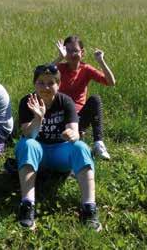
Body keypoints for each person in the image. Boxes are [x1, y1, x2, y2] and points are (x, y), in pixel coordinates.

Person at [15, 64, 101, 231]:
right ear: (34, 84)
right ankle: (27, 205)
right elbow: (28, 135)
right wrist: (38, 118)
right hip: (37, 154)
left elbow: (75, 131)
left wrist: (71, 134)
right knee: (27, 144)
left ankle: (89, 207)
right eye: (41, 83)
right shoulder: (27, 101)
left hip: (60, 153)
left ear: (58, 84)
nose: (46, 87)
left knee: (81, 147)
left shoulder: (65, 101)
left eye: (51, 83)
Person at [53, 35, 116, 159]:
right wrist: (59, 57)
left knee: (95, 99)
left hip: (79, 117)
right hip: (61, 117)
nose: (71, 54)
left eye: (75, 51)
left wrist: (101, 61)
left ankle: (98, 144)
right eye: (68, 51)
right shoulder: (60, 69)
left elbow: (111, 82)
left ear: (82, 52)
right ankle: (75, 138)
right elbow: (42, 74)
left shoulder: (86, 69)